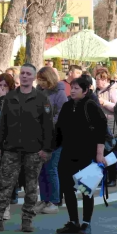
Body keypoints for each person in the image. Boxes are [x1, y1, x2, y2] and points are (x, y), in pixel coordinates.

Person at [0, 64, 53, 233]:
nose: (24, 76)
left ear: (33, 77)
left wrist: (46, 149)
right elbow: (2, 123)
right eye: (22, 73)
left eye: (28, 74)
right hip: (11, 149)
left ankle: (27, 220)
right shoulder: (10, 97)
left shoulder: (41, 99)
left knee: (31, 187)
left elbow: (47, 126)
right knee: (4, 184)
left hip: (34, 150)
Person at [54, 74, 107, 234]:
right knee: (67, 188)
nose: (72, 91)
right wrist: (49, 149)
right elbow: (59, 131)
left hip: (86, 154)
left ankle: (86, 223)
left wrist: (99, 153)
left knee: (85, 189)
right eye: (72, 88)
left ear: (85, 91)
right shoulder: (67, 106)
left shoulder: (91, 105)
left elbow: (101, 130)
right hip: (67, 153)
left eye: (76, 88)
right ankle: (73, 221)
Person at [35, 67, 68, 215]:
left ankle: (54, 201)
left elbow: (62, 115)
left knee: (51, 169)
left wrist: (46, 122)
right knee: (41, 170)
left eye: (43, 79)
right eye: (39, 80)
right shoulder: (39, 92)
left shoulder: (60, 94)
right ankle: (44, 199)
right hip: (41, 136)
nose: (40, 82)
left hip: (55, 137)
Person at [0, 73, 15, 218]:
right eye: (0, 85)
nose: (2, 88)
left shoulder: (14, 100)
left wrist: (4, 99)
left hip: (9, 144)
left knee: (6, 177)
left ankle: (5, 207)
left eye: (5, 86)